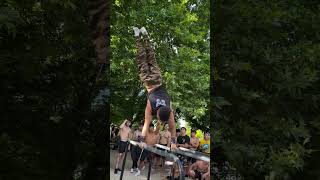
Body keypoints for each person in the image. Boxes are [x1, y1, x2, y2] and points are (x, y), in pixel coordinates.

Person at [132, 26, 177, 148]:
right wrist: (141, 140)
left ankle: (145, 34)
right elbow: (147, 123)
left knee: (151, 56)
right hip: (148, 82)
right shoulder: (151, 106)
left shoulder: (169, 109)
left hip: (157, 79)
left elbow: (172, 127)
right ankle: (137, 35)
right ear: (157, 114)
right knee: (141, 58)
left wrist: (173, 142)